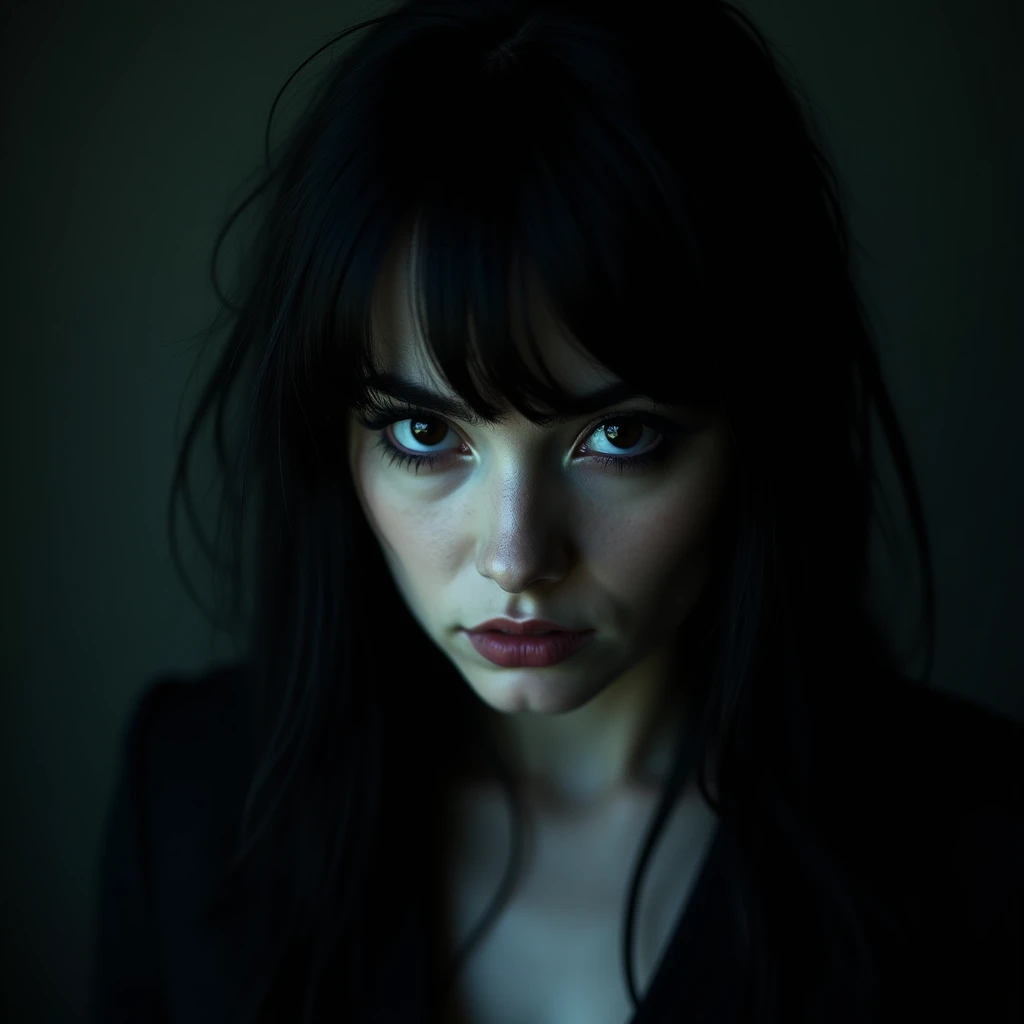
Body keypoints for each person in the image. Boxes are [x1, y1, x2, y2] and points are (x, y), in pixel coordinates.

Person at [92, 1, 1024, 1022]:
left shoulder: (977, 852)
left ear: (759, 430)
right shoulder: (185, 801)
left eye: (618, 439)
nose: (516, 556)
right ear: (337, 442)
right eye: (423, 435)